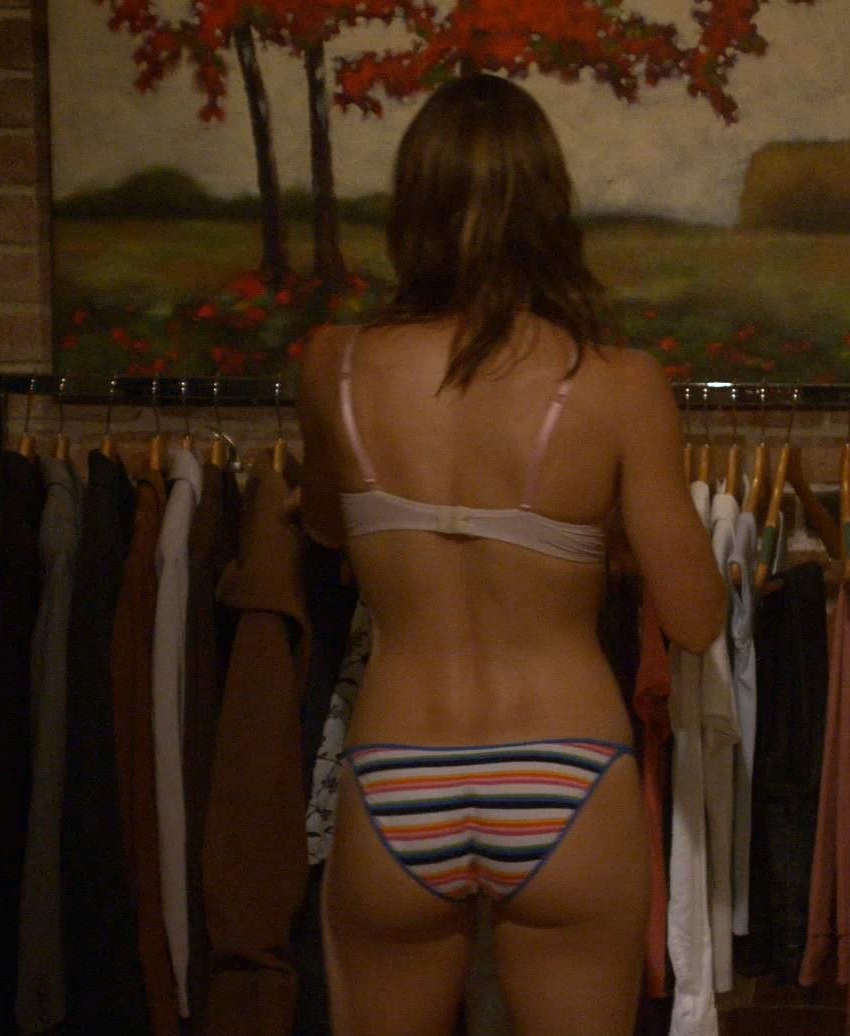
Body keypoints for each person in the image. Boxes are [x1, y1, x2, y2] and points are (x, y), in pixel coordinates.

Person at [293, 73, 727, 1036]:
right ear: (548, 207)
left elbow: (324, 527)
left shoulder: (334, 366)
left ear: (413, 204)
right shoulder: (617, 383)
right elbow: (698, 618)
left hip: (399, 766)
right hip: (566, 769)